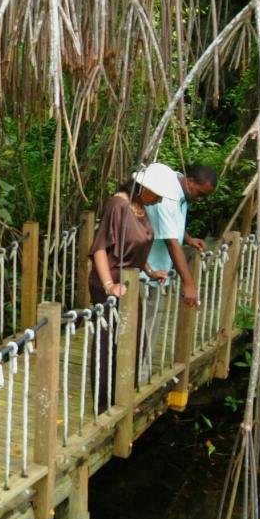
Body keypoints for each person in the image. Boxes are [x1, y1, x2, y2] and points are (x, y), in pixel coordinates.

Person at [88, 164, 182, 408]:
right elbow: (100, 248)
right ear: (145, 188)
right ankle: (104, 403)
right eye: (158, 194)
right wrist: (109, 285)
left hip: (130, 282)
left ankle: (123, 395)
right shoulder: (118, 205)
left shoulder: (141, 207)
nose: (160, 199)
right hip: (109, 283)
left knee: (135, 337)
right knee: (107, 341)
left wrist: (150, 270)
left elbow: (137, 248)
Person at [146, 164, 218, 306]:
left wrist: (188, 239)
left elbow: (172, 222)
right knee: (143, 324)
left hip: (159, 272)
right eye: (200, 193)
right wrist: (189, 284)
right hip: (146, 274)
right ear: (190, 181)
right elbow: (171, 243)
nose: (200, 199)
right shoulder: (167, 197)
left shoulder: (181, 190)